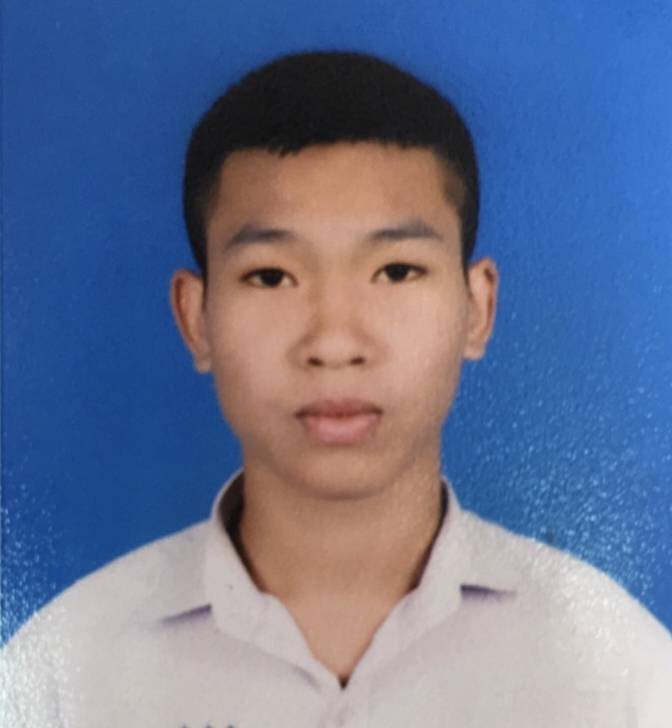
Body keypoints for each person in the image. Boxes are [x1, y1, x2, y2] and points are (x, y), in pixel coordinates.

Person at [2, 50, 671, 728]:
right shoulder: (59, 676)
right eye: (271, 276)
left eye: (396, 271)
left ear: (477, 308)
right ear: (195, 318)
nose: (333, 343)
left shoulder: (618, 671)